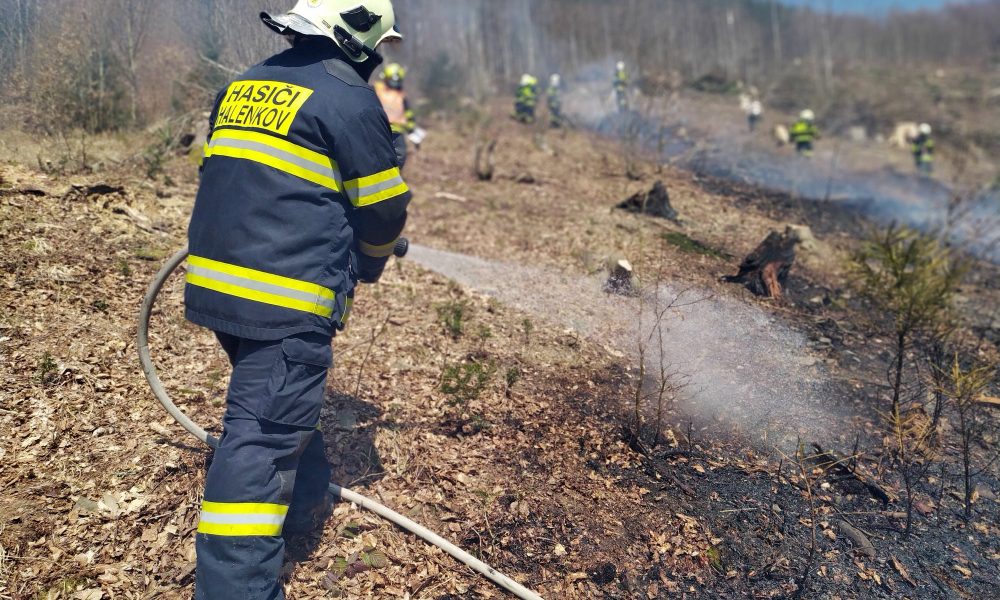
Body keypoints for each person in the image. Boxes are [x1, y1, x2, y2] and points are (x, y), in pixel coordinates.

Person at [185, 2, 410, 599]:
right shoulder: (349, 99)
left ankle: (306, 502)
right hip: (284, 300)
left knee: (276, 406)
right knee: (259, 440)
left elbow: (251, 179)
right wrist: (371, 258)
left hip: (221, 289)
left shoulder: (244, 84)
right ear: (357, 38)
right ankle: (237, 589)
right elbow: (384, 210)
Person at [374, 62, 417, 166]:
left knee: (400, 157)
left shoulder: (401, 94)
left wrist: (412, 130)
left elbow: (408, 112)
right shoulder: (377, 89)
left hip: (398, 132)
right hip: (380, 129)